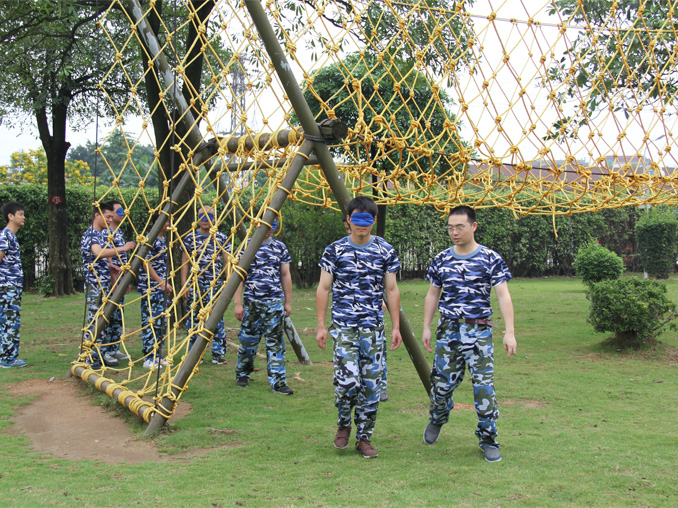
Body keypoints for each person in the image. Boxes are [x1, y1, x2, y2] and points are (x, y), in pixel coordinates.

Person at [421, 205, 516, 463]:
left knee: (484, 388)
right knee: (441, 386)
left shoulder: (490, 258)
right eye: (450, 227)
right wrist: (427, 327)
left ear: (473, 226)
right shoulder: (441, 259)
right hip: (449, 330)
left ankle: (488, 439)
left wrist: (510, 332)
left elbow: (503, 295)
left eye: (460, 227)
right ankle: (438, 418)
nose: (454, 232)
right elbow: (432, 295)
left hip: (479, 331)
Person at [316, 196, 402, 459]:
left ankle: (364, 437)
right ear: (348, 221)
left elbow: (391, 288)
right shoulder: (334, 250)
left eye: (367, 219)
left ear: (374, 222)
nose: (361, 225)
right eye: (356, 219)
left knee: (371, 385)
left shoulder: (385, 250)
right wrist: (321, 325)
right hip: (343, 327)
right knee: (347, 382)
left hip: (373, 328)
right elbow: (323, 288)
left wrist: (395, 326)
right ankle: (343, 424)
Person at [234, 220, 294, 394]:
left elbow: (285, 274)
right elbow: (238, 276)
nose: (268, 230)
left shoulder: (280, 247)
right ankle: (243, 373)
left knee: (275, 342)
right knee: (247, 339)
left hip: (273, 302)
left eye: (272, 227)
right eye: (264, 226)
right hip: (251, 302)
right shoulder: (247, 246)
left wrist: (288, 301)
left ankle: (278, 381)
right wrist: (238, 303)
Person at [342, 214, 390, 403]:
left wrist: (382, 301)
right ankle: (357, 386)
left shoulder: (379, 249)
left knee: (378, 354)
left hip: (373, 314)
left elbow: (384, 283)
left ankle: (381, 386)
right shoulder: (341, 251)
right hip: (349, 317)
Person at [80, 203, 135, 368]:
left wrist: (109, 267)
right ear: (97, 215)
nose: (110, 220)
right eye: (108, 216)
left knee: (103, 319)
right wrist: (123, 248)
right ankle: (91, 356)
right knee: (95, 319)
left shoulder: (100, 234)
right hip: (95, 284)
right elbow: (98, 252)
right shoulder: (91, 234)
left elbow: (100, 257)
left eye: (112, 217)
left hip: (102, 282)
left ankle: (98, 355)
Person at [180, 206, 230, 364]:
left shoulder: (221, 237)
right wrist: (184, 284)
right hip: (195, 284)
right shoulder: (190, 238)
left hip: (214, 283)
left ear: (214, 218)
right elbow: (185, 262)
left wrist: (228, 280)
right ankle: (194, 354)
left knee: (217, 317)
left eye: (208, 216)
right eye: (201, 215)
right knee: (194, 318)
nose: (205, 219)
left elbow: (226, 260)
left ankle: (218, 353)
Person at [137, 212, 172, 369]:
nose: (170, 223)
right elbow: (146, 263)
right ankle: (149, 357)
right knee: (150, 321)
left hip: (160, 289)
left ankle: (157, 354)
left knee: (161, 323)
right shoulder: (149, 238)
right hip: (150, 288)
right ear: (158, 221)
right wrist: (160, 282)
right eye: (167, 220)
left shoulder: (163, 240)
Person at [104, 200, 132, 363]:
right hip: (111, 279)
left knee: (118, 314)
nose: (122, 214)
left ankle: (114, 347)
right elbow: (109, 259)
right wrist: (114, 279)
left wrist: (125, 280)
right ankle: (105, 348)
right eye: (119, 211)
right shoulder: (107, 232)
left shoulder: (119, 232)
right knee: (109, 312)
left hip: (121, 277)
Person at [0, 201, 27, 368]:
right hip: (7, 286)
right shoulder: (5, 236)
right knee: (10, 321)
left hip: (12, 285)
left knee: (10, 320)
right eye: (21, 214)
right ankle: (7, 359)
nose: (23, 217)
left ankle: (8, 356)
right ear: (11, 216)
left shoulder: (11, 236)